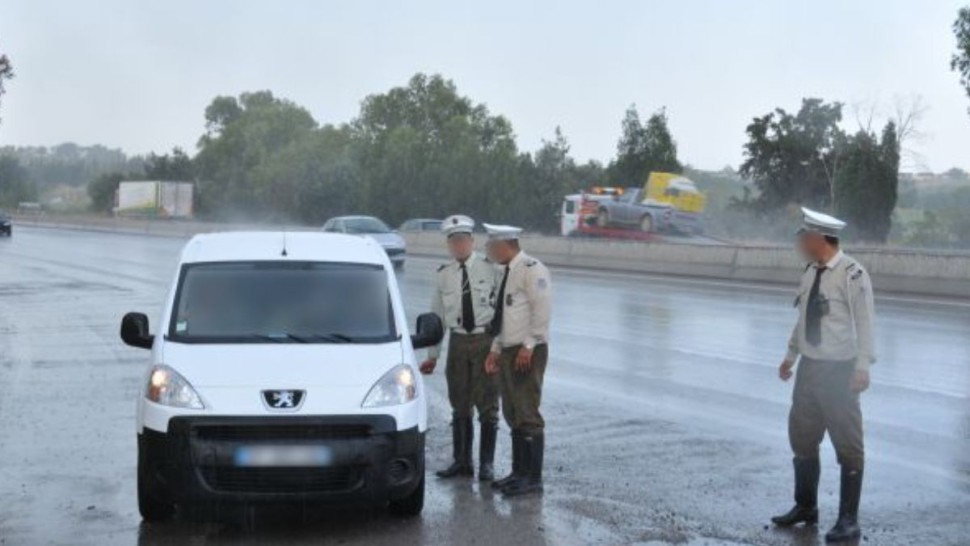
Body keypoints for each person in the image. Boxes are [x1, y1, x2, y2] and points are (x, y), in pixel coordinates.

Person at [771, 207, 876, 543]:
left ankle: (849, 520)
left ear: (819, 238)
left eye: (805, 236)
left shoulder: (852, 274)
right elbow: (802, 319)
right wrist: (790, 356)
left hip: (840, 371)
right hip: (810, 369)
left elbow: (866, 323)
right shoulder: (809, 272)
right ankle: (806, 507)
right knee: (802, 438)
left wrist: (862, 367)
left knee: (848, 444)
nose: (801, 242)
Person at [420, 215, 502, 481]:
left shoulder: (492, 269)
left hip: (484, 341)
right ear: (449, 244)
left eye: (463, 240)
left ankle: (486, 464)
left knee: (488, 404)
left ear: (472, 241)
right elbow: (437, 318)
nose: (459, 245)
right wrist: (433, 355)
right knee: (460, 405)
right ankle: (462, 462)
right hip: (458, 342)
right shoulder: (444, 275)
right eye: (454, 241)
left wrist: (497, 348)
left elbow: (502, 311)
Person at [482, 223, 552, 497]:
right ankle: (518, 473)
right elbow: (503, 316)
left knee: (527, 412)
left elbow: (542, 309)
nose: (489, 251)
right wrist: (495, 350)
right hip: (510, 348)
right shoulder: (505, 272)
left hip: (527, 351)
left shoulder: (532, 269)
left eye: (491, 246)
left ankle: (533, 478)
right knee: (512, 412)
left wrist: (529, 344)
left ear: (504, 245)